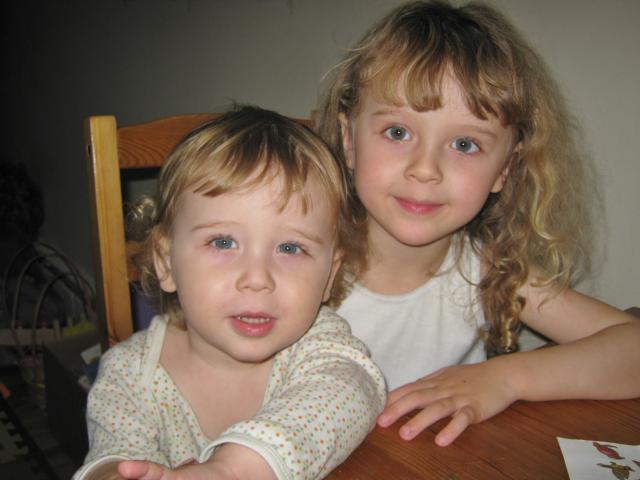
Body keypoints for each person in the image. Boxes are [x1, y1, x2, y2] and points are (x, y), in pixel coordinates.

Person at [317, 0, 640, 448]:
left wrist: (505, 378)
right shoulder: (294, 262)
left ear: (505, 169)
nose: (425, 169)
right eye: (398, 132)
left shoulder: (488, 271)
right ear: (349, 141)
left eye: (465, 144)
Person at [73, 106, 386, 480]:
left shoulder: (321, 343)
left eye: (290, 248)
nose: (257, 278)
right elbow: (111, 458)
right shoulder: (128, 375)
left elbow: (351, 390)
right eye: (223, 242)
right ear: (166, 261)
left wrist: (232, 470)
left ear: (329, 276)